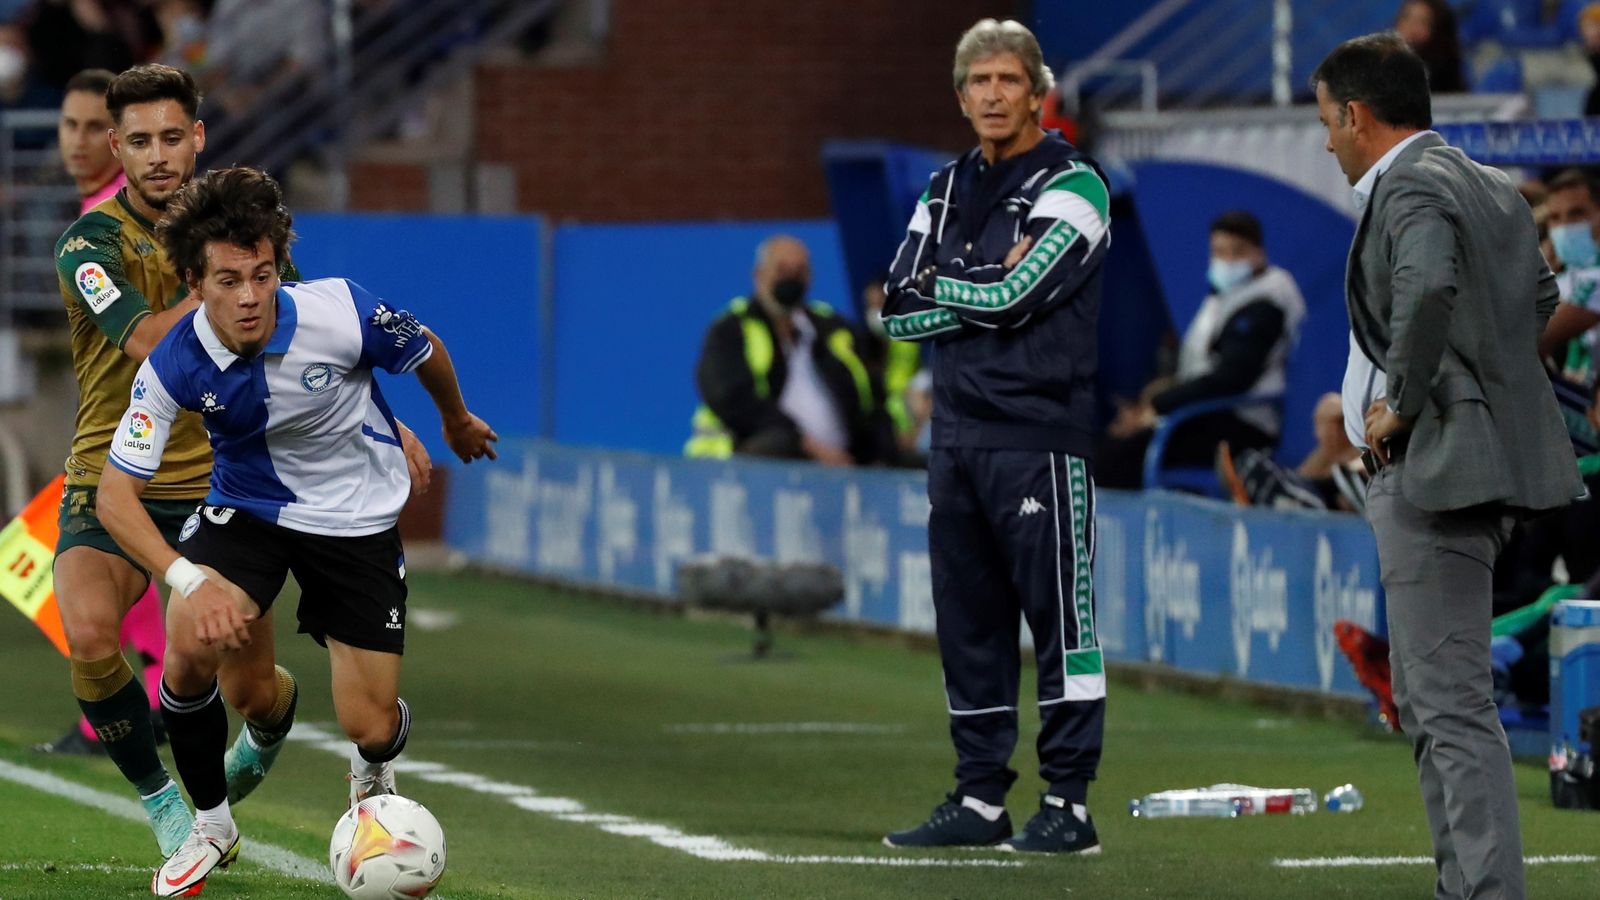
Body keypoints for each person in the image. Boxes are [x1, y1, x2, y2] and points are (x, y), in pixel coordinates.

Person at [49, 63, 428, 862]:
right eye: (141, 141)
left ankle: (269, 718)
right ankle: (169, 808)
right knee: (88, 633)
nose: (157, 156)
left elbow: (323, 341)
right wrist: (214, 272)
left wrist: (392, 426)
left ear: (198, 138)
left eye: (172, 137)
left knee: (248, 689)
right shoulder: (92, 242)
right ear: (119, 148)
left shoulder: (242, 233)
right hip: (112, 472)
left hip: (229, 482)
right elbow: (154, 339)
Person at [97, 166, 498, 896]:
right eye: (227, 280)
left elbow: (426, 348)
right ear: (194, 281)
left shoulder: (339, 309)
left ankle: (373, 765)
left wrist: (453, 419)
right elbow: (115, 496)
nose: (250, 297)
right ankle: (211, 826)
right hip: (248, 511)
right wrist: (188, 578)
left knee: (369, 723)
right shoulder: (174, 364)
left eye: (262, 274)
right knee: (187, 647)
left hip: (358, 521)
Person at [1314, 32, 1583, 899]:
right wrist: (1484, 384)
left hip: (1433, 468)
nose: (1324, 140)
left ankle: (1486, 893)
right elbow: (1541, 298)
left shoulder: (1414, 185)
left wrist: (1407, 399)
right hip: (1466, 463)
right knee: (1434, 703)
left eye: (1326, 121)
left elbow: (1427, 289)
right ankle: (1464, 888)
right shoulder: (1490, 183)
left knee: (1452, 707)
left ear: (1355, 115)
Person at [879, 19, 1108, 854]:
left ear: (1037, 90)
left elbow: (1021, 292)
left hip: (1042, 436)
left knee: (1062, 625)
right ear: (961, 93)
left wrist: (960, 284)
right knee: (967, 625)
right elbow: (897, 309)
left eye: (1008, 80)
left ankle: (1070, 804)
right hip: (957, 438)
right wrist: (978, 284)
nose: (992, 94)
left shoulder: (1077, 186)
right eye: (977, 81)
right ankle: (980, 799)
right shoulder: (944, 187)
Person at [34, 66, 168, 758]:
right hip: (113, 426)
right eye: (70, 125)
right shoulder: (96, 216)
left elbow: (148, 337)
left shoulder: (128, 216)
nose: (79, 142)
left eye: (95, 128)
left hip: (147, 438)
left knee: (98, 563)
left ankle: (127, 712)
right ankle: (143, 701)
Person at [1096, 210, 1305, 489]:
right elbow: (1200, 367)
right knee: (1109, 442)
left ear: (1259, 253)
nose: (1227, 260)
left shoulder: (1265, 305)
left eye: (1237, 252)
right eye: (1219, 251)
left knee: (1117, 458)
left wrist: (1160, 405)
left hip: (1241, 425)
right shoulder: (1226, 297)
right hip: (1204, 414)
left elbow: (1231, 378)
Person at [685, 235, 891, 465]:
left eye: (800, 271)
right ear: (759, 274)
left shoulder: (832, 328)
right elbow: (732, 399)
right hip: (758, 460)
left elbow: (871, 392)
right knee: (776, 446)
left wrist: (878, 452)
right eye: (781, 270)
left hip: (845, 466)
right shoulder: (731, 329)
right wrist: (806, 445)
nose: (791, 279)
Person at [855, 274, 924, 459]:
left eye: (880, 304)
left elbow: (915, 391)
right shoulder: (859, 343)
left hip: (909, 425)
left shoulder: (908, 340)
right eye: (871, 306)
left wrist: (914, 430)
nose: (875, 312)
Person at [1394, 0, 1465, 94]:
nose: (1411, 28)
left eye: (1422, 22)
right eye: (1406, 18)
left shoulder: (1445, 75)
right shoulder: (1380, 64)